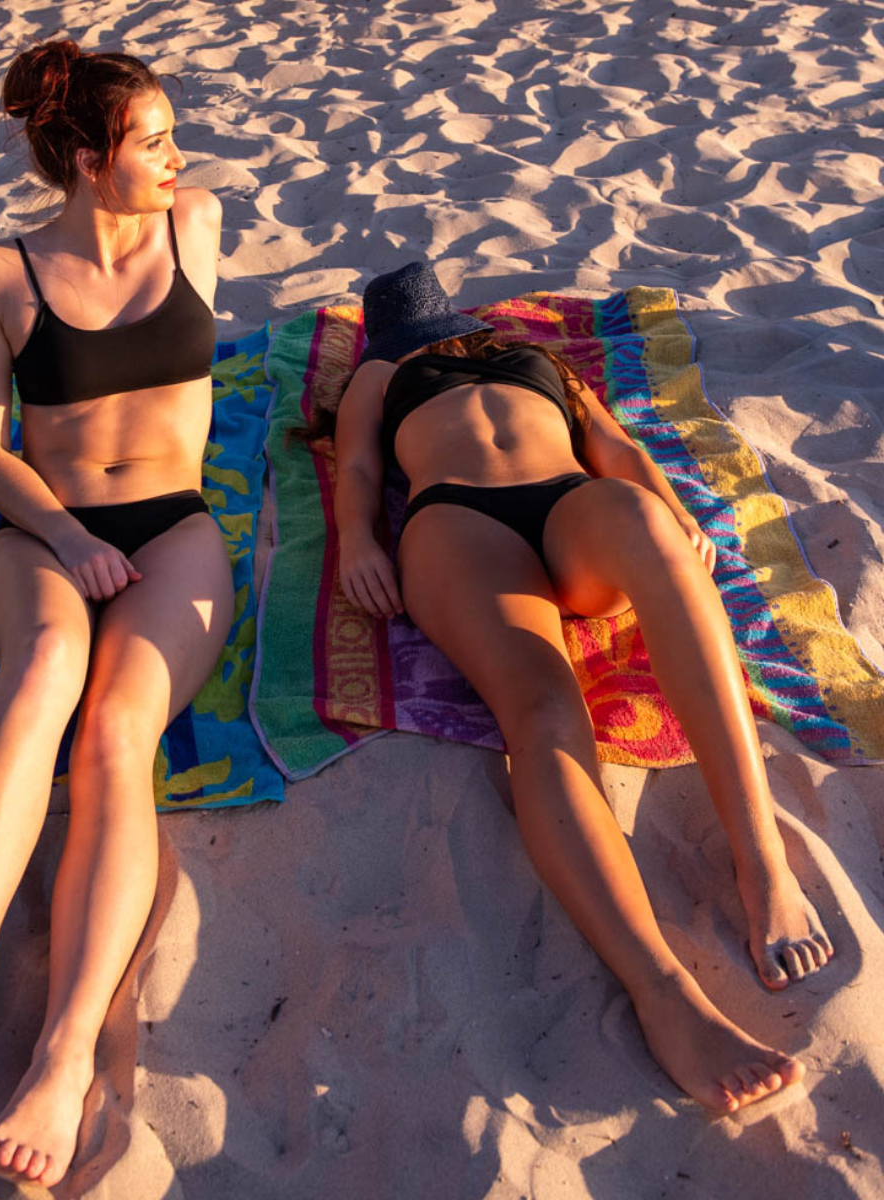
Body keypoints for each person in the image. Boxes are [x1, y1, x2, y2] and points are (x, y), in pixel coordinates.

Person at [324, 261, 833, 1114]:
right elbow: (359, 472)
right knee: (542, 710)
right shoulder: (378, 375)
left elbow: (618, 450)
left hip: (571, 503)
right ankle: (663, 989)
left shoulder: (537, 360)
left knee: (656, 541)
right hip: (459, 523)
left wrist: (673, 512)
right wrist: (360, 542)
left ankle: (762, 861)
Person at [0, 41, 230, 1187]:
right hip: (44, 531)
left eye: (172, 136)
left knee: (116, 734)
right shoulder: (2, 275)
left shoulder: (198, 226)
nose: (178, 158)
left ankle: (66, 1053)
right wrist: (69, 537)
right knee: (36, 684)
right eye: (153, 141)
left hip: (173, 532)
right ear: (86, 160)